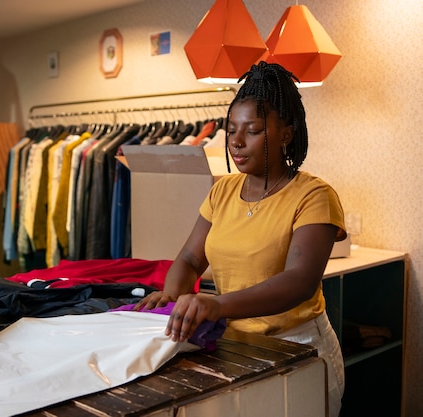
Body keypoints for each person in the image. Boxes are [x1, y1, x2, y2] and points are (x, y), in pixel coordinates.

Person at [133, 61, 346, 417]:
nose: (236, 141)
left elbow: (300, 282)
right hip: (232, 345)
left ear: (286, 135)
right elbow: (188, 259)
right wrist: (173, 296)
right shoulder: (223, 191)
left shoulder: (313, 196)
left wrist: (218, 305)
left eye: (253, 130)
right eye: (231, 129)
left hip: (298, 349)